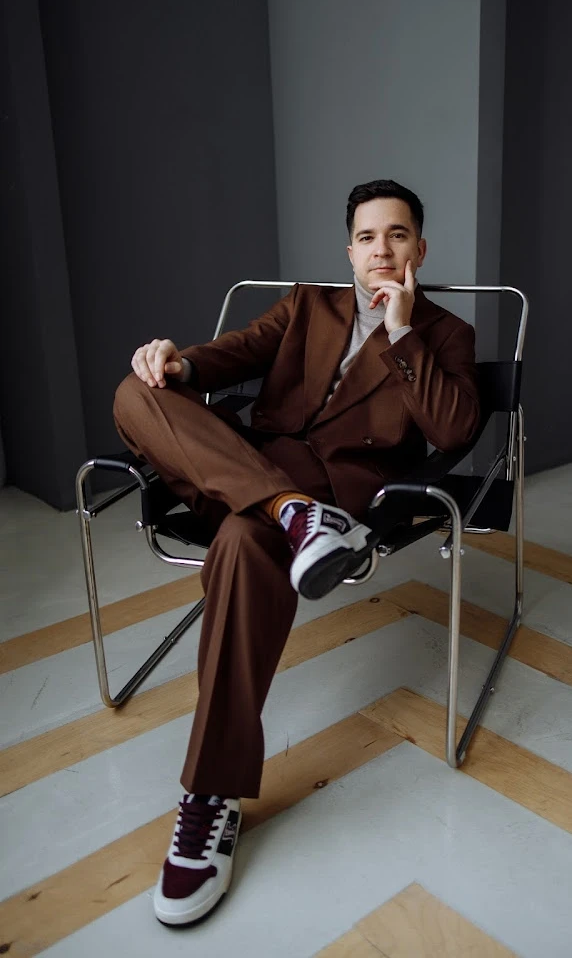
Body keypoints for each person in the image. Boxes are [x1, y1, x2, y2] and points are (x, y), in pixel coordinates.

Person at [113, 179, 479, 927]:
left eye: (397, 235)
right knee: (133, 392)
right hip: (251, 466)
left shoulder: (444, 333)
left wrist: (401, 333)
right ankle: (290, 513)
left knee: (242, 544)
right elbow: (231, 354)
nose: (382, 250)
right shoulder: (308, 304)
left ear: (420, 248)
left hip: (331, 487)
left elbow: (453, 433)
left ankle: (209, 796)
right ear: (349, 250)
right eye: (368, 237)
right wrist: (176, 364)